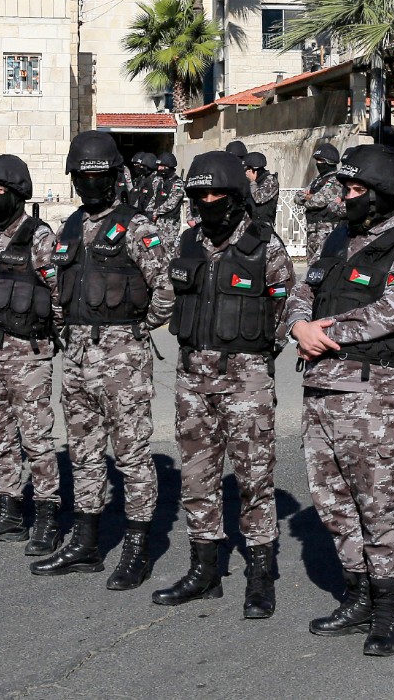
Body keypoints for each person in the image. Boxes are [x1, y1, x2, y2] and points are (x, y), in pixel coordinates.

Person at [283, 144, 394, 657]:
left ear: (382, 193)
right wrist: (298, 327)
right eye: (345, 189)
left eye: (354, 189)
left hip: (374, 395)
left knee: (377, 503)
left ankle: (389, 609)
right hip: (321, 390)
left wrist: (324, 333)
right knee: (331, 501)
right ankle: (358, 593)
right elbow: (302, 292)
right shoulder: (336, 239)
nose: (346, 198)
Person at [30, 131, 175, 586]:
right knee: (84, 453)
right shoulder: (70, 226)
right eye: (82, 177)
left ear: (115, 177)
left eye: (99, 176)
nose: (90, 184)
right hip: (75, 356)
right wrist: (66, 328)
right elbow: (58, 287)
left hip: (121, 357)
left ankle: (137, 549)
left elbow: (166, 290)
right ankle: (86, 543)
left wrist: (134, 330)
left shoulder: (138, 227)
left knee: (131, 455)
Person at [153, 150, 293, 618]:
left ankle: (260, 575)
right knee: (197, 477)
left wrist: (257, 358)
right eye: (200, 195)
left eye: (217, 194)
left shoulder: (264, 244)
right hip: (192, 378)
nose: (208, 202)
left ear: (235, 196)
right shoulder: (187, 242)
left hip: (245, 379)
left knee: (254, 477)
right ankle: (204, 570)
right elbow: (167, 299)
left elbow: (286, 309)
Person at [0, 154, 65, 554]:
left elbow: (58, 294)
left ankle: (47, 517)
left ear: (18, 192)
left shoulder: (39, 237)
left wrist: (45, 334)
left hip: (27, 354)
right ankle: (9, 512)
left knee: (36, 438)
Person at [296, 142, 345, 263]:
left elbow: (318, 201)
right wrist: (308, 196)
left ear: (329, 162)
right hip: (313, 230)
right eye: (317, 160)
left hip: (326, 230)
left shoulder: (335, 179)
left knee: (323, 264)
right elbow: (297, 197)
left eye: (320, 160)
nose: (318, 163)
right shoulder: (317, 180)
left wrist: (308, 197)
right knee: (312, 267)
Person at [150, 152, 185, 256]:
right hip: (156, 221)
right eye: (158, 166)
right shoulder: (160, 181)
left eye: (162, 166)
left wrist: (156, 212)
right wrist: (149, 212)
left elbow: (171, 203)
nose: (159, 168)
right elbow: (154, 198)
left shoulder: (177, 183)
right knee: (155, 249)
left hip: (169, 223)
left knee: (168, 250)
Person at [243, 151, 279, 227]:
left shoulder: (270, 181)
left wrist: (252, 182)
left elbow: (259, 199)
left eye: (247, 170)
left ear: (254, 170)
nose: (246, 173)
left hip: (263, 226)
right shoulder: (250, 181)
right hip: (249, 223)